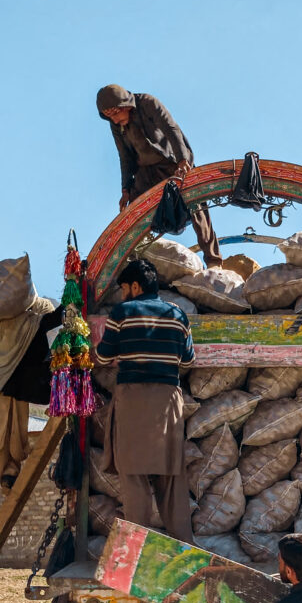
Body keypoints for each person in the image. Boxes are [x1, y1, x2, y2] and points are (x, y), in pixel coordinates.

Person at [94, 257, 194, 542]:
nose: (123, 294)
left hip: (133, 400)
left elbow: (103, 357)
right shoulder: (178, 315)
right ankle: (184, 546)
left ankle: (137, 547)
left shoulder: (122, 312)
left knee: (134, 476)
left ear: (135, 286)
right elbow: (188, 359)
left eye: (124, 288)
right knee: (171, 477)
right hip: (168, 402)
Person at [0, 255, 61, 529]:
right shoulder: (31, 319)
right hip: (0, 395)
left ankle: (9, 474)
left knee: (7, 444)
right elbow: (52, 321)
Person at [96, 84, 223, 268]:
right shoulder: (116, 125)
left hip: (172, 165)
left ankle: (213, 261)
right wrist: (125, 189)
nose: (115, 121)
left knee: (196, 203)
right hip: (145, 173)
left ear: (125, 106)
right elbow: (124, 156)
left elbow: (171, 129)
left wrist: (182, 161)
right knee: (134, 214)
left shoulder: (148, 103)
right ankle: (135, 265)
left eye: (115, 114)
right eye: (110, 117)